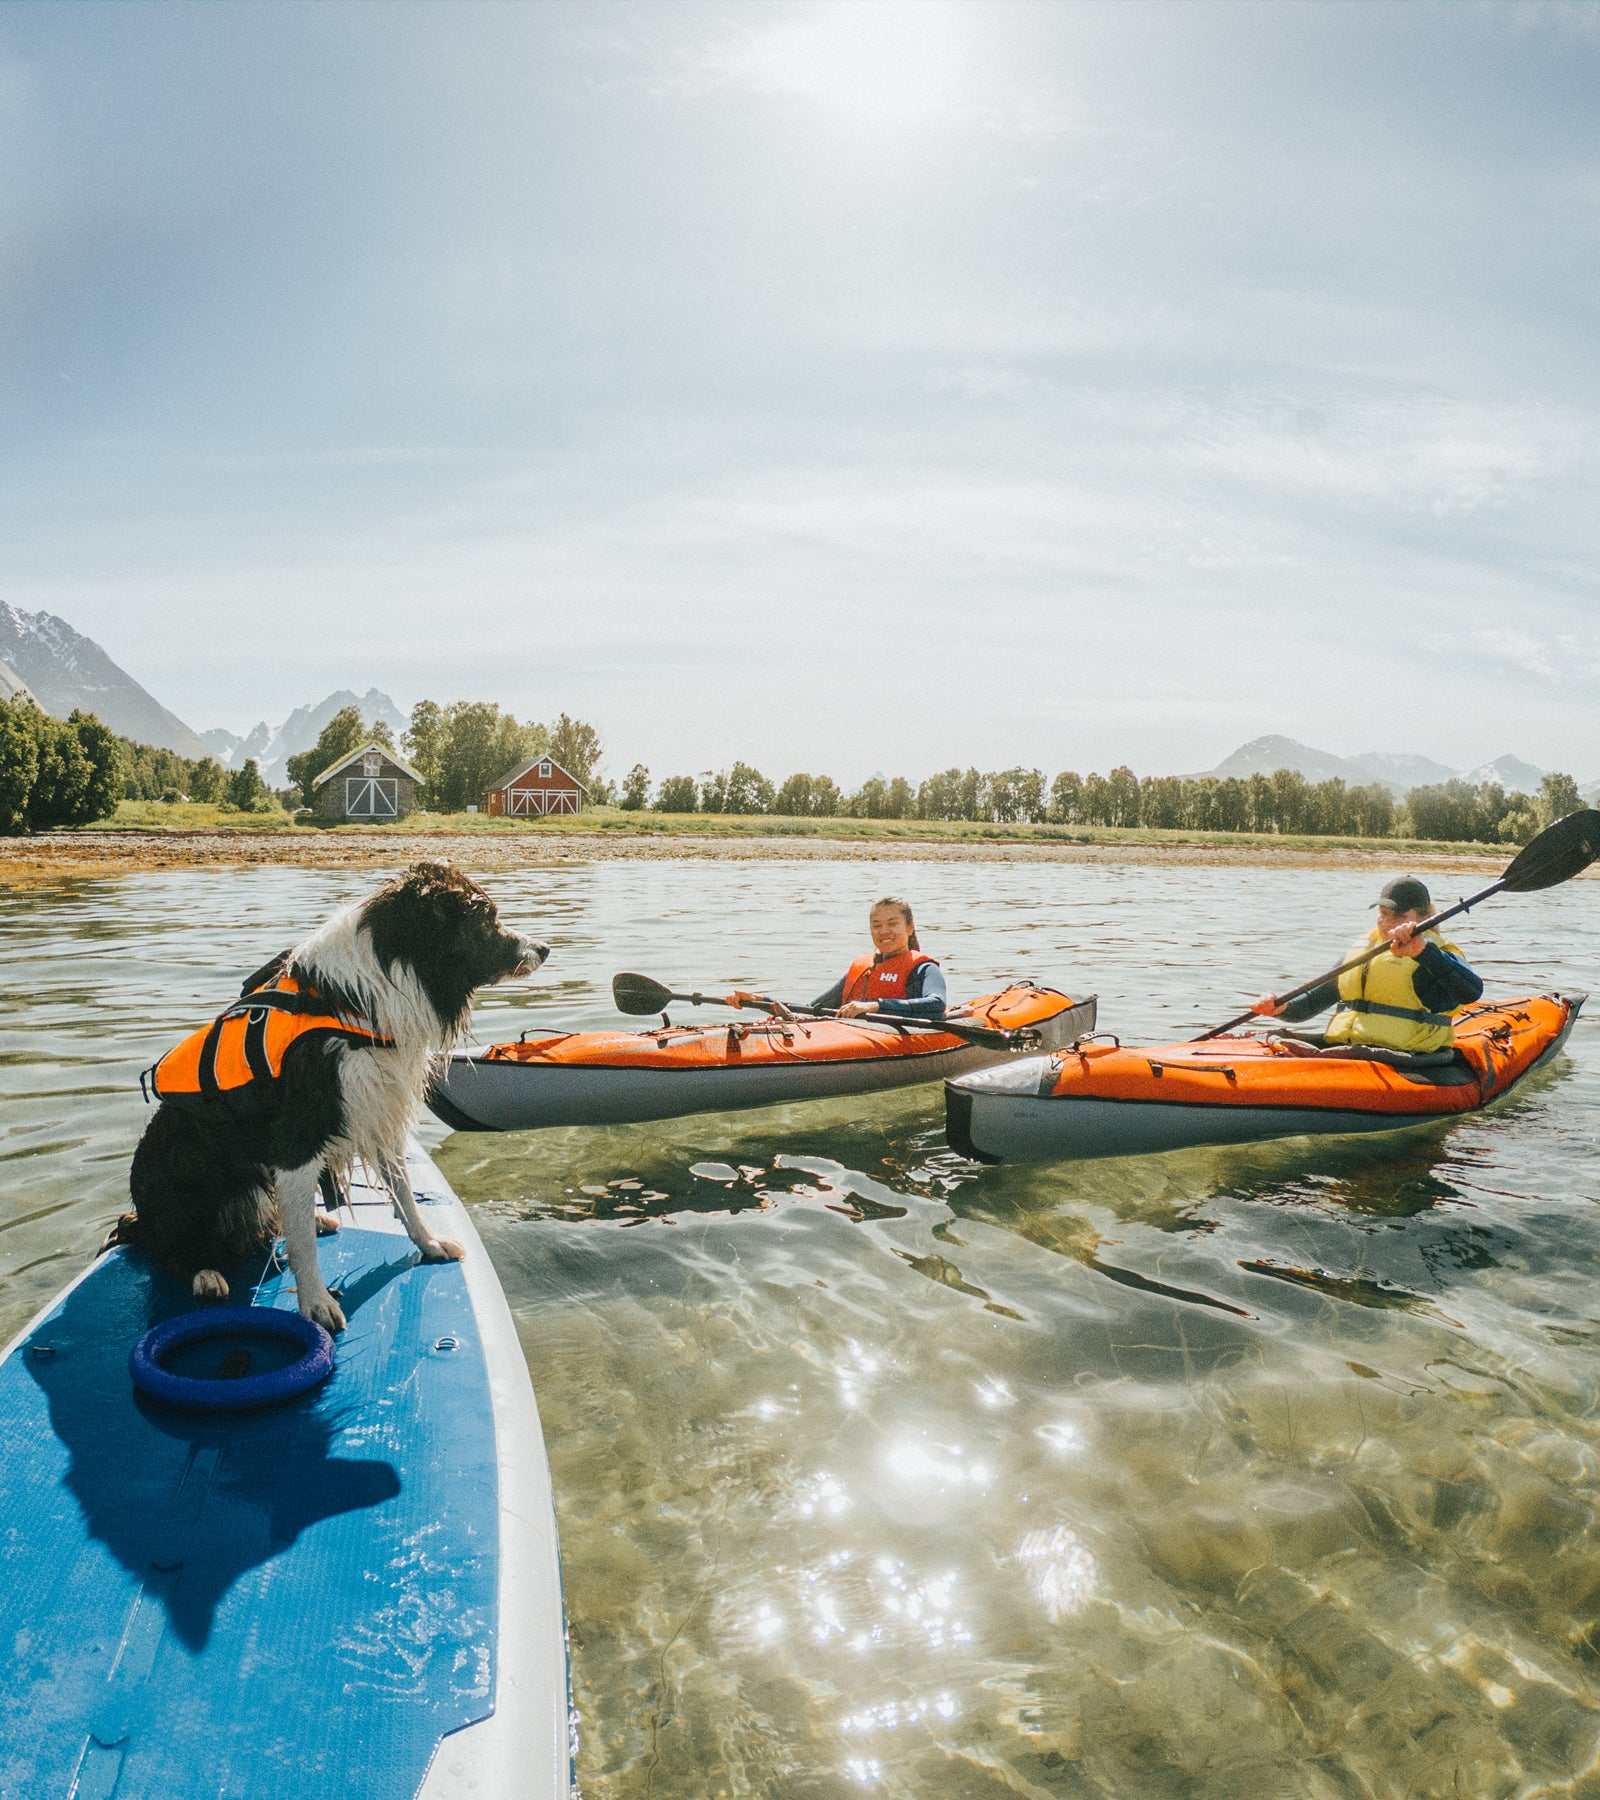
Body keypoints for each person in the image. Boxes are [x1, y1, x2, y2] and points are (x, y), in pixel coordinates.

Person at [1250, 875, 1483, 1055]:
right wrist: (1280, 1008)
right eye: (1382, 913)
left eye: (1397, 916)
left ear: (1422, 918)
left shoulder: (1437, 954)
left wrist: (1422, 952)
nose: (1386, 921)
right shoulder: (1365, 948)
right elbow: (1313, 1001)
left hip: (1405, 1058)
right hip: (1348, 1051)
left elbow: (1470, 991)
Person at [812, 896, 947, 1021]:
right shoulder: (862, 967)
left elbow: (937, 1003)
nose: (883, 931)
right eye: (877, 926)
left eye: (892, 924)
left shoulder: (924, 968)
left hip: (899, 1035)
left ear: (910, 928)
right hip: (851, 1031)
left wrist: (876, 1006)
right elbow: (818, 1005)